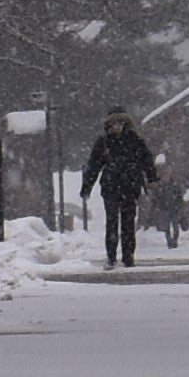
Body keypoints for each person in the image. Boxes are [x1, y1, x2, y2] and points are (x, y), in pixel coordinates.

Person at [79, 105, 157, 268]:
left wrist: (151, 178)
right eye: (114, 123)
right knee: (112, 222)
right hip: (111, 187)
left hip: (130, 187)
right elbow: (94, 166)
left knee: (128, 223)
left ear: (125, 123)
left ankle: (128, 257)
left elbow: (146, 160)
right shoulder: (103, 142)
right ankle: (111, 257)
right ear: (109, 124)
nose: (117, 126)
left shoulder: (134, 140)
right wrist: (86, 187)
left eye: (120, 122)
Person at [150, 157, 186, 250]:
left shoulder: (174, 185)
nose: (166, 176)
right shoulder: (160, 186)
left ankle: (175, 240)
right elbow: (156, 198)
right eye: (165, 175)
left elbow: (179, 197)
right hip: (165, 208)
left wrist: (180, 206)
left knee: (175, 226)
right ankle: (170, 241)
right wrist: (155, 207)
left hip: (174, 208)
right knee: (166, 227)